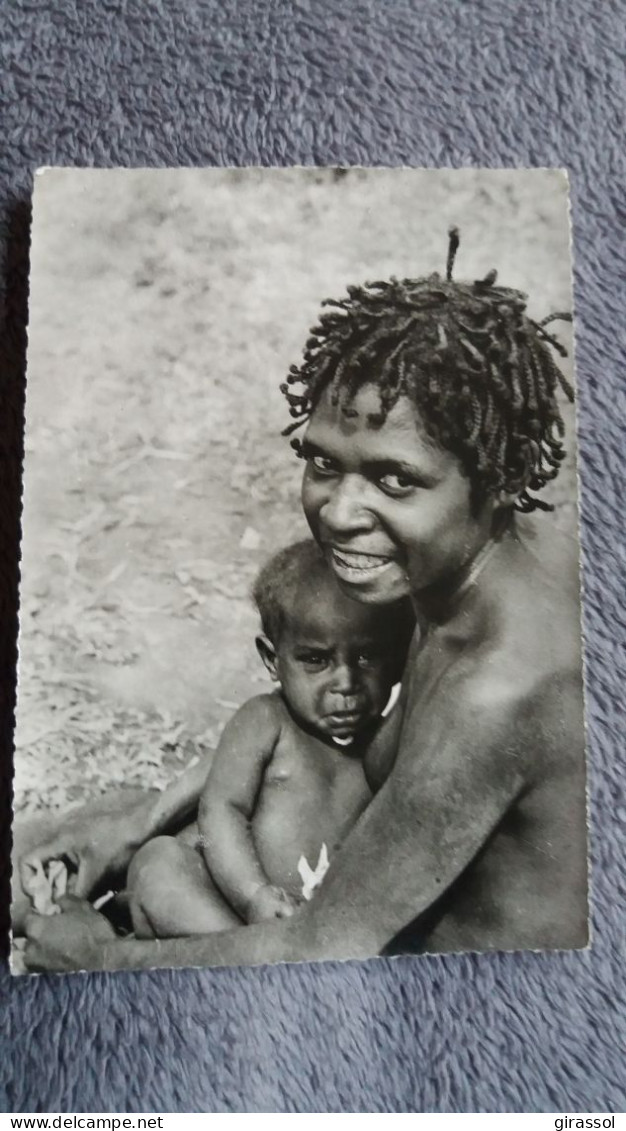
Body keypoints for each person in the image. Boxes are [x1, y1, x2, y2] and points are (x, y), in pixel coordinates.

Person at [22, 231, 588, 972]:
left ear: (497, 478)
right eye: (325, 461)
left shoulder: (498, 687)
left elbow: (325, 947)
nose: (339, 511)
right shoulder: (453, 554)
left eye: (393, 480)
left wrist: (94, 960)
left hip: (462, 1014)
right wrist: (130, 825)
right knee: (85, 838)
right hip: (351, 893)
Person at [124, 539, 412, 939]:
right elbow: (222, 810)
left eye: (367, 658)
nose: (345, 683)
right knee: (158, 865)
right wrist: (252, 896)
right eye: (316, 659)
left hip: (329, 928)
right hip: (238, 910)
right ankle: (249, 958)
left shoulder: (388, 740)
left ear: (398, 660)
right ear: (272, 660)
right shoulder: (266, 721)